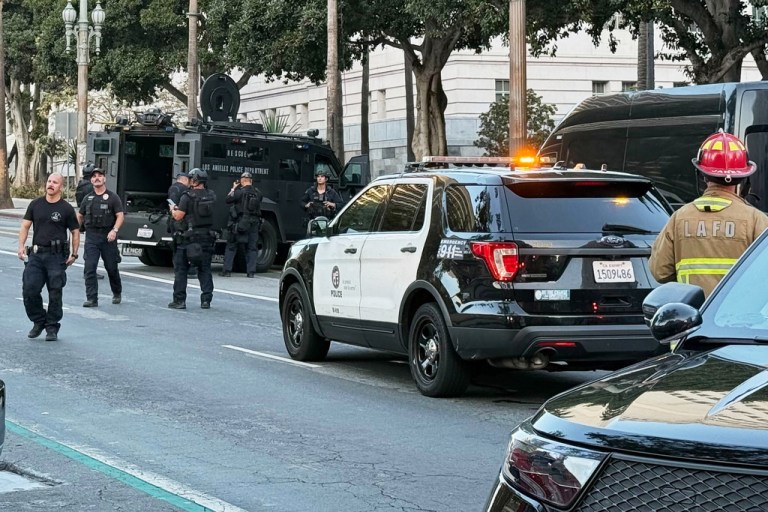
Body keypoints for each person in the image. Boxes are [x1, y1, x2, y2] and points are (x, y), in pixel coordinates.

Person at [650, 131, 768, 297]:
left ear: (702, 175)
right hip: (739, 319)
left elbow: (659, 271)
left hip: (692, 317)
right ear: (744, 178)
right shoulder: (757, 221)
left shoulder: (680, 218)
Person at [17, 173, 80, 341]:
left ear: (61, 186)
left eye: (55, 182)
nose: (51, 184)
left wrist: (74, 253)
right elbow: (25, 226)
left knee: (55, 292)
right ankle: (38, 321)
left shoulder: (66, 208)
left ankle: (52, 327)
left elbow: (75, 231)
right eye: (49, 181)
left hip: (56, 257)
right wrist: (21, 246)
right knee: (29, 289)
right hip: (36, 255)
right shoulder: (35, 204)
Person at [168, 168, 217, 309]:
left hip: (188, 239)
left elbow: (178, 216)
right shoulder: (211, 195)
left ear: (194, 180)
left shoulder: (187, 196)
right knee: (205, 269)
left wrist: (173, 208)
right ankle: (206, 299)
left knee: (181, 270)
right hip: (207, 238)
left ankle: (179, 300)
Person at [77, 167, 125, 307]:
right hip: (92, 237)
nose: (96, 178)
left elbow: (120, 216)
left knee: (111, 268)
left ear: (104, 178)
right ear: (91, 179)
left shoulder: (112, 197)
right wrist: (75, 229)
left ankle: (117, 292)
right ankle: (92, 298)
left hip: (107, 237)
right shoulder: (88, 198)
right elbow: (80, 215)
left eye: (99, 175)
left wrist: (114, 230)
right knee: (89, 267)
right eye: (94, 176)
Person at [220, 171, 263, 278]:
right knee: (252, 247)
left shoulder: (239, 192)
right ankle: (251, 272)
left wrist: (233, 188)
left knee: (231, 245)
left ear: (242, 181)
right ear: (251, 181)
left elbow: (228, 200)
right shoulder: (258, 193)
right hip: (254, 223)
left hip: (240, 222)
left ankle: (227, 271)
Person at [76, 163, 105, 280]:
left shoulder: (80, 185)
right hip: (92, 220)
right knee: (93, 248)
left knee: (90, 247)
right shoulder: (90, 188)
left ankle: (89, 270)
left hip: (85, 218)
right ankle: (89, 271)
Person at [167, 171, 196, 278]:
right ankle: (186, 270)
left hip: (176, 220)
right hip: (181, 220)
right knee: (183, 245)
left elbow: (170, 202)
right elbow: (174, 204)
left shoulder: (172, 188)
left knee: (178, 246)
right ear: (184, 179)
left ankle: (179, 269)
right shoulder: (183, 189)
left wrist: (173, 210)